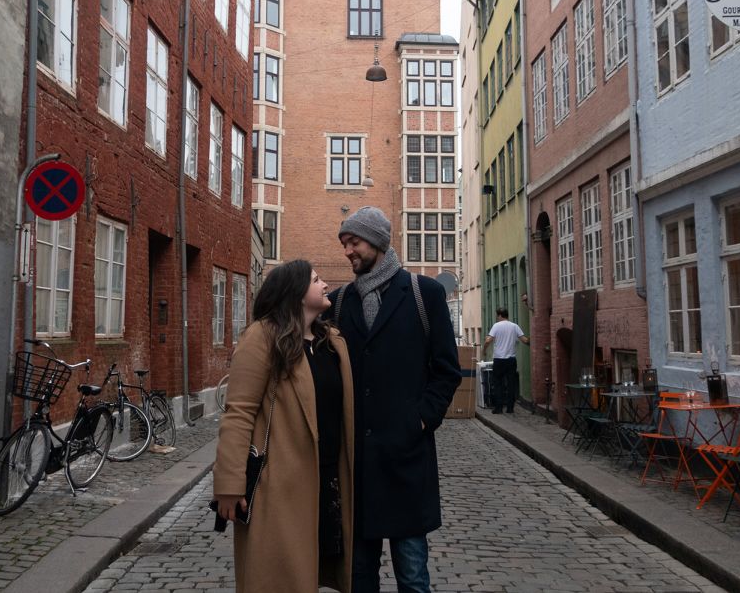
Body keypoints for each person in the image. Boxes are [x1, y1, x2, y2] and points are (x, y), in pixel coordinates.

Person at [327, 206, 462, 593]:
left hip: (406, 460)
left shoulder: (425, 294)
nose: (348, 251)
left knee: (413, 574)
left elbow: (447, 369)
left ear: (378, 243)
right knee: (359, 576)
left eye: (354, 242)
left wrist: (420, 420)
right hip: (357, 464)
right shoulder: (338, 303)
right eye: (344, 243)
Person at [213, 260, 355, 593]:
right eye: (316, 279)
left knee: (317, 571)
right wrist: (229, 484)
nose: (324, 284)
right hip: (280, 485)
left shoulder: (330, 342)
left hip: (329, 481)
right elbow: (239, 413)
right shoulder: (262, 338)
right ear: (295, 292)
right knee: (283, 578)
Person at [483, 307, 529, 414]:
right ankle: (510, 408)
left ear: (499, 315)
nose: (496, 317)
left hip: (499, 359)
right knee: (511, 384)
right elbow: (525, 340)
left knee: (498, 383)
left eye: (497, 315)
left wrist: (484, 349)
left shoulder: (496, 326)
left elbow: (488, 340)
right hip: (511, 360)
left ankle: (498, 408)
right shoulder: (514, 326)